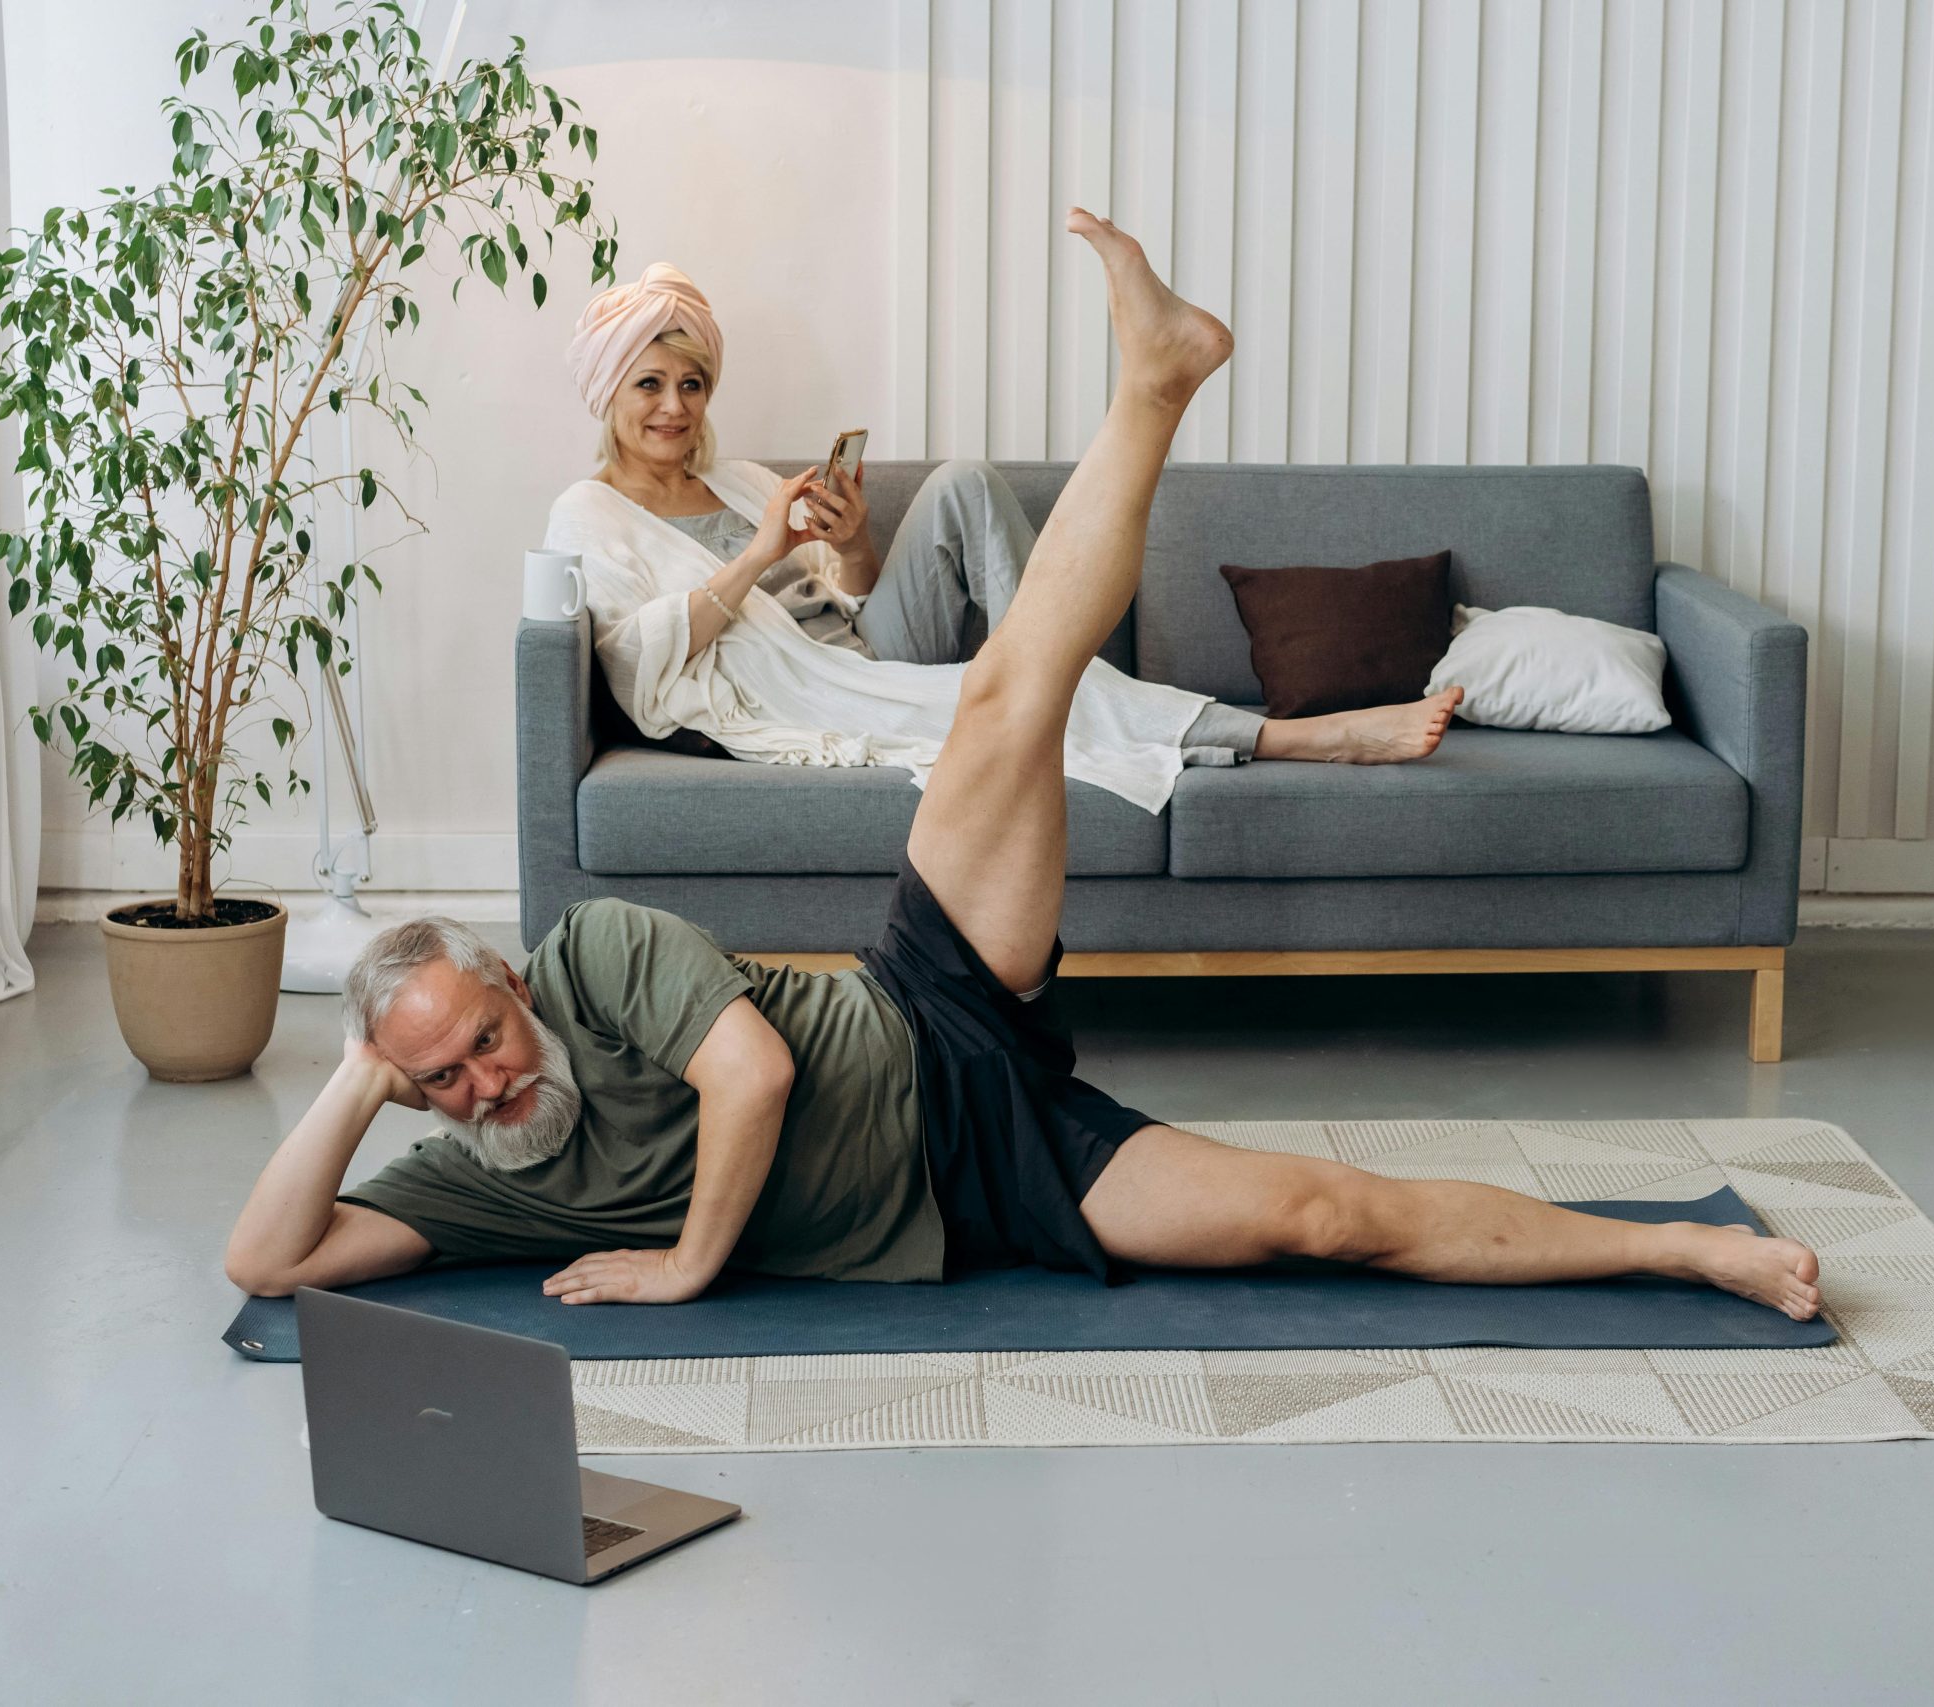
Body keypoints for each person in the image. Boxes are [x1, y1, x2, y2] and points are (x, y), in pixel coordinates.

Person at [224, 211, 1821, 1323]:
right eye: (447, 1080)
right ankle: (1685, 1253)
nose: (488, 1079)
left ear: (511, 981)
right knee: (1323, 1214)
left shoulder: (594, 955)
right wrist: (370, 1071)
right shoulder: (484, 1169)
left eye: (483, 1038)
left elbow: (758, 1075)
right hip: (995, 1176)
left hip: (926, 1008)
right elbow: (269, 1258)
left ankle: (1156, 377)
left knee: (1009, 702)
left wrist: (687, 1264)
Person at [543, 262, 1467, 815]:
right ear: (608, 395)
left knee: (966, 481)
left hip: (861, 650)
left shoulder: (741, 480)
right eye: (650, 384)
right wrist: (760, 555)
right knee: (1032, 685)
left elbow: (851, 601)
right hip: (812, 692)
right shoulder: (589, 512)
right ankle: (1309, 738)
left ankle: (1054, 665)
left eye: (691, 384)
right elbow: (635, 666)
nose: (674, 407)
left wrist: (856, 543)